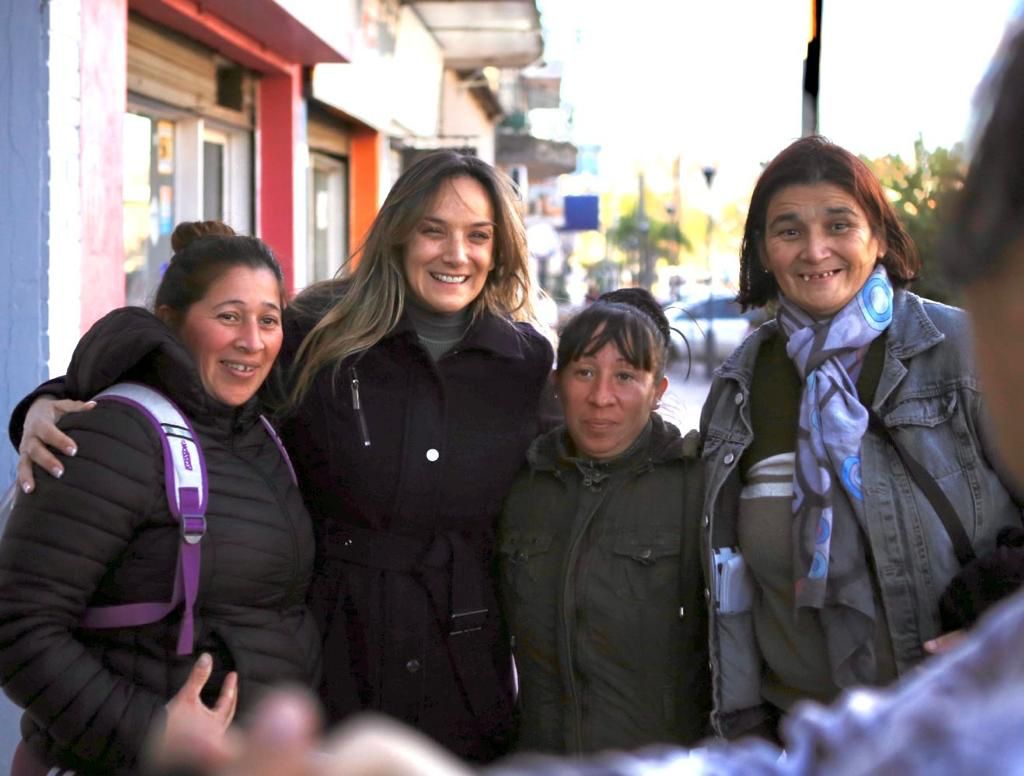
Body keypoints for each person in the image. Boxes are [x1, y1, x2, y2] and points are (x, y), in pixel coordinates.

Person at [12, 151, 554, 763]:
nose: (457, 254)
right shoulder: (321, 334)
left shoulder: (526, 363)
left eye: (478, 235)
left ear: (499, 247)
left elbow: (590, 449)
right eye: (434, 230)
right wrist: (54, 399)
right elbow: (197, 372)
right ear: (400, 236)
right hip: (333, 673)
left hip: (465, 681)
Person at [697, 134, 1024, 740]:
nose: (815, 248)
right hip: (799, 739)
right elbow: (727, 581)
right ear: (764, 251)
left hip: (956, 727)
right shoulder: (738, 386)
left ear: (878, 237)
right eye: (788, 229)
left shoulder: (961, 351)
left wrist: (1000, 633)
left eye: (839, 224)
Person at [0, 221, 320, 774]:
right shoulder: (117, 434)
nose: (252, 339)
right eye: (228, 316)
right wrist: (150, 733)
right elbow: (17, 623)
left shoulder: (263, 431)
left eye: (268, 319)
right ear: (171, 322)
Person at [497, 288, 710, 754]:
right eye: (585, 373)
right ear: (558, 382)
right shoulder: (524, 485)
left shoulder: (697, 489)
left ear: (658, 392)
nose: (601, 397)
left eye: (626, 377)